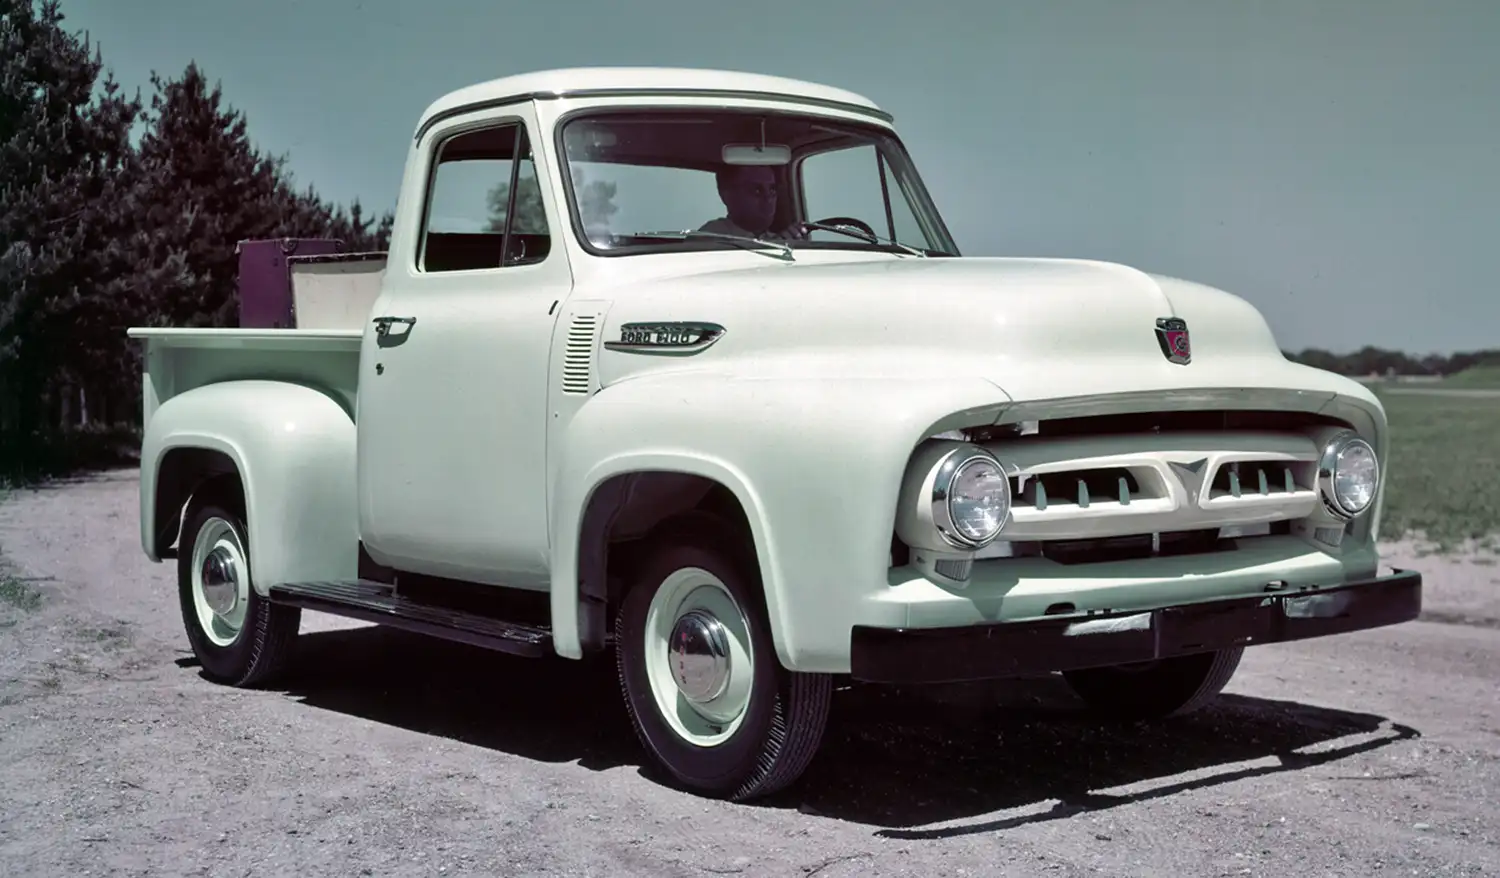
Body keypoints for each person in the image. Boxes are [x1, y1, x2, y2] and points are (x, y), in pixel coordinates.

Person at [698, 164, 807, 241]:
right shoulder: (711, 237)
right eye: (757, 190)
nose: (768, 198)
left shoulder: (782, 240)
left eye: (772, 190)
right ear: (727, 195)